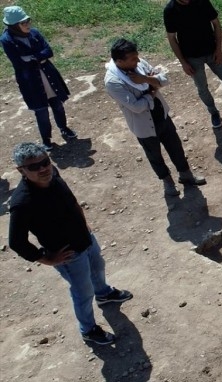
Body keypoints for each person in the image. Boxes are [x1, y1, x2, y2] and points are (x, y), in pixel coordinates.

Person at [8, 142, 133, 346]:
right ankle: (88, 329)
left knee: (98, 267)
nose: (42, 169)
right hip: (68, 255)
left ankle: (104, 294)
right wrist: (47, 259)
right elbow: (16, 242)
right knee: (82, 291)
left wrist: (84, 223)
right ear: (21, 170)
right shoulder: (22, 202)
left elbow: (71, 199)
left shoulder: (53, 174)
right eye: (34, 167)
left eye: (44, 162)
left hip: (85, 239)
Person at [104, 38, 206, 197]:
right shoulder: (113, 82)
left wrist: (145, 80)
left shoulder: (139, 64)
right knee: (154, 155)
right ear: (119, 61)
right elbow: (136, 107)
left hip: (161, 114)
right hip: (143, 124)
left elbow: (164, 79)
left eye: (136, 56)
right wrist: (152, 88)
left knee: (175, 147)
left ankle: (186, 175)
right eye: (132, 59)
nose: (137, 60)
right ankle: (168, 182)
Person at [164, 0, 222, 129]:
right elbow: (172, 38)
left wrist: (219, 50)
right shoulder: (170, 10)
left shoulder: (201, 2)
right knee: (202, 88)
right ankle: (214, 113)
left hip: (213, 52)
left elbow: (216, 24)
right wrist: (183, 63)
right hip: (192, 58)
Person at [1, 6, 78, 152]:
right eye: (23, 23)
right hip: (31, 82)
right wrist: (39, 57)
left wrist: (32, 57)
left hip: (48, 75)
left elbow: (48, 51)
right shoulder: (7, 40)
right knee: (41, 112)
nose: (27, 24)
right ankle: (46, 140)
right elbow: (19, 63)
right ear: (14, 26)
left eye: (27, 20)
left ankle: (64, 128)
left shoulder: (34, 33)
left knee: (58, 106)